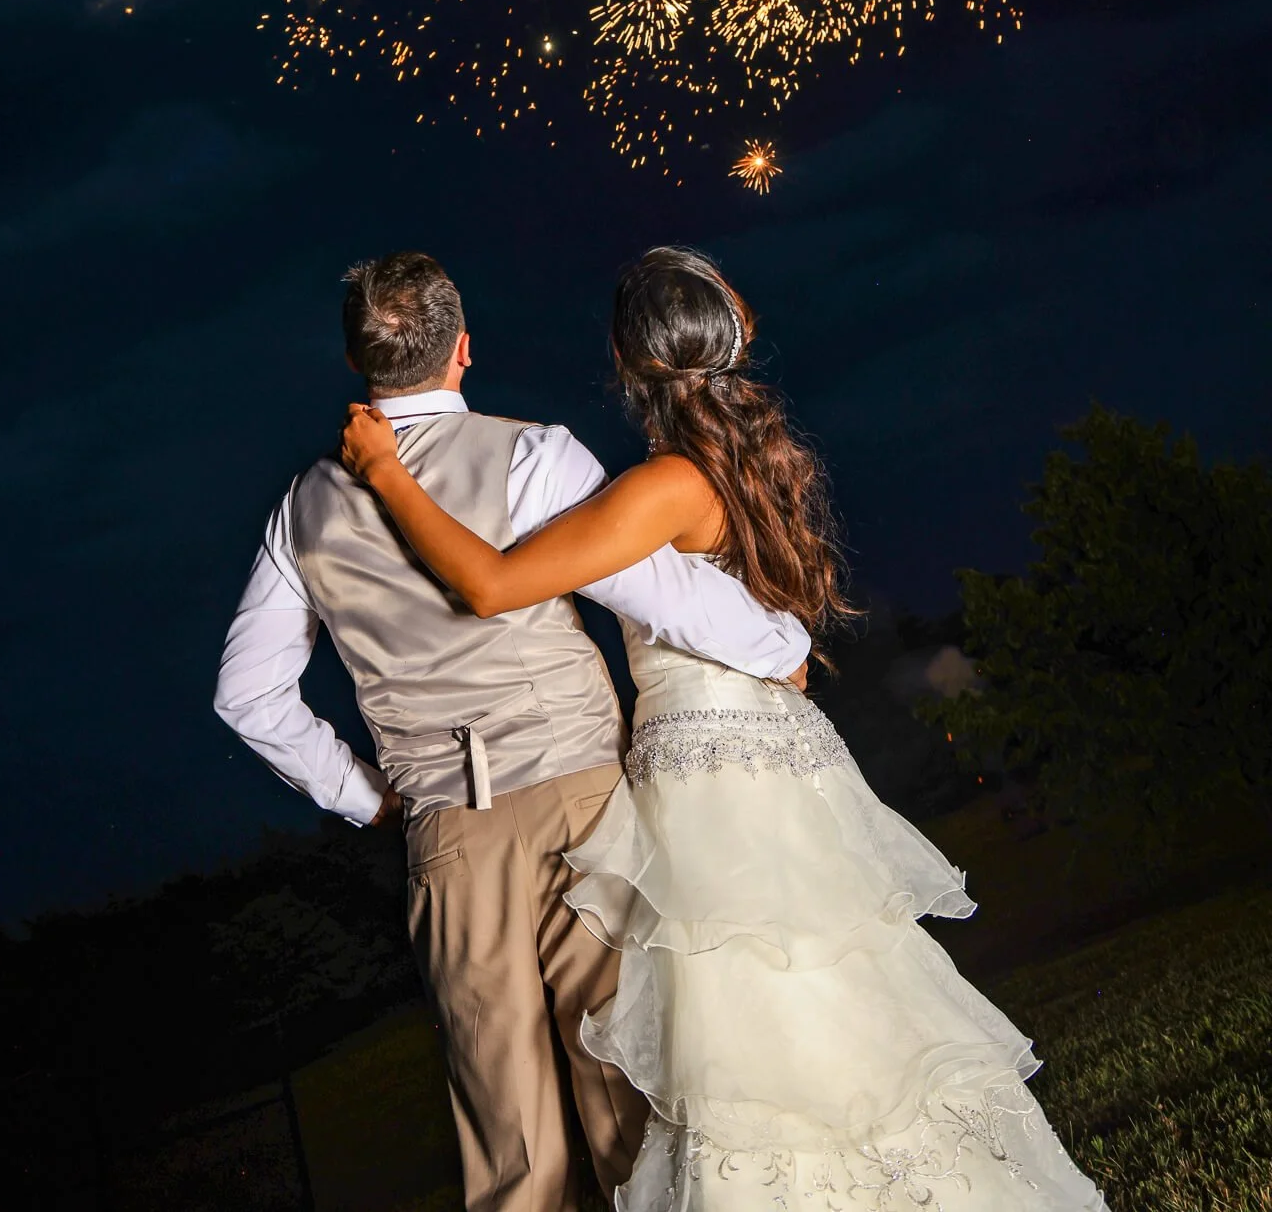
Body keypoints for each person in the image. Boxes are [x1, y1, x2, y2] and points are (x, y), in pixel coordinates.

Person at [340, 246, 1109, 1212]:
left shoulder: (658, 488)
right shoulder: (744, 468)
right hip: (775, 758)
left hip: (709, 780)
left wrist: (387, 472)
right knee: (820, 1003)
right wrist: (775, 638)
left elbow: (492, 585)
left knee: (747, 1033)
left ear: (628, 362)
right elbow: (724, 616)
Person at [214, 250, 814, 1212]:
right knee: (634, 1103)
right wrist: (778, 642)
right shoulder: (535, 454)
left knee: (512, 1154)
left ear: (362, 361)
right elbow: (653, 591)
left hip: (448, 838)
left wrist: (371, 798)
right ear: (462, 347)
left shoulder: (303, 511)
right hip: (587, 810)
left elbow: (249, 698)